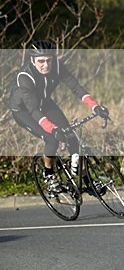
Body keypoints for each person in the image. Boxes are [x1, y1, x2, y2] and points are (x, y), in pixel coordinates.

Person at [7, 40, 109, 196]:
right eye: (41, 61)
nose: (46, 65)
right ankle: (49, 175)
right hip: (24, 111)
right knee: (52, 139)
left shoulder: (57, 66)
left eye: (49, 60)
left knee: (72, 137)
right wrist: (52, 129)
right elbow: (34, 110)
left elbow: (76, 87)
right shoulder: (25, 77)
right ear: (32, 60)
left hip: (45, 103)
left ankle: (87, 181)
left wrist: (95, 106)